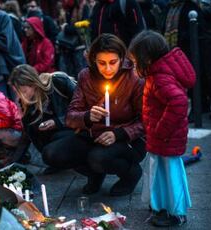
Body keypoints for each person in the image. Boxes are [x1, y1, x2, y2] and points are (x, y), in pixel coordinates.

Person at [45, 34, 146, 196]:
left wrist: (118, 134)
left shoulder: (134, 78)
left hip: (127, 140)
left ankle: (131, 174)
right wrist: (87, 117)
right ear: (94, 60)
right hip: (93, 135)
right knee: (52, 154)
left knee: (97, 158)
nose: (107, 69)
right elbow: (71, 116)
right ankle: (94, 174)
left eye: (113, 62)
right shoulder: (86, 76)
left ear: (121, 58)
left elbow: (146, 121)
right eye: (101, 63)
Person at [129, 30, 194, 227]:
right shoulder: (158, 72)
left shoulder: (160, 77)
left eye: (134, 60)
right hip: (161, 138)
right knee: (160, 173)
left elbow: (178, 101)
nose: (133, 65)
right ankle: (161, 206)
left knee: (170, 176)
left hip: (166, 138)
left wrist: (161, 130)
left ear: (146, 59)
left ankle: (175, 213)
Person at [8, 64, 76, 165]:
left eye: (23, 91)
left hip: (76, 131)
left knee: (54, 145)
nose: (20, 96)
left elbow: (84, 106)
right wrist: (13, 162)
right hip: (53, 143)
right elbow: (27, 135)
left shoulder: (57, 82)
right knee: (48, 153)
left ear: (33, 84)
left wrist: (56, 122)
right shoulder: (26, 103)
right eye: (17, 92)